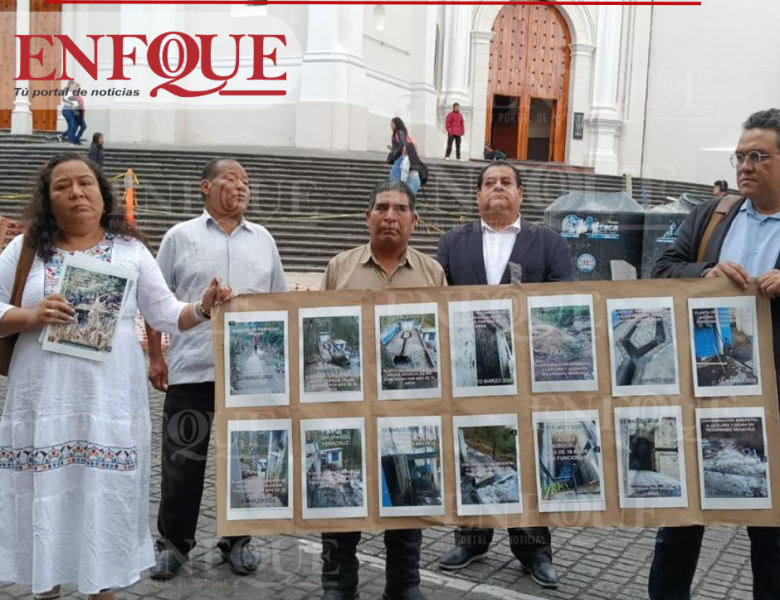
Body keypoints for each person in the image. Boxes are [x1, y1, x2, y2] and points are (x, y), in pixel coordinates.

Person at [0, 153, 232, 600]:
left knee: (104, 505)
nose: (75, 193)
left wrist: (203, 306)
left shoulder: (130, 251)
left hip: (110, 410)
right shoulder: (27, 249)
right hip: (43, 409)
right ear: (48, 199)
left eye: (84, 183)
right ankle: (45, 589)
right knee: (43, 502)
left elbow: (165, 314)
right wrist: (30, 314)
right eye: (62, 186)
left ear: (102, 192)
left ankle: (101, 591)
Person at [649, 108, 780, 600]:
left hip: (772, 404)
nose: (745, 165)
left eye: (758, 156)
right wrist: (704, 272)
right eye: (740, 155)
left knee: (771, 539)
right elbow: (662, 268)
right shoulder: (713, 214)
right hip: (701, 395)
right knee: (679, 528)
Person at [146, 157, 287, 580]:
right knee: (182, 463)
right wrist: (156, 356)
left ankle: (237, 540)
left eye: (246, 181)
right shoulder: (179, 237)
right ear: (206, 186)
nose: (241, 187)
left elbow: (281, 304)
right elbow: (155, 301)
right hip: (192, 372)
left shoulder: (264, 240)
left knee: (248, 464)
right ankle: (174, 544)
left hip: (253, 381)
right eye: (231, 179)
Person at [435, 161, 572, 590]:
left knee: (526, 458)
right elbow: (435, 302)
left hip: (528, 374)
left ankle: (534, 550)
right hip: (469, 372)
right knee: (473, 451)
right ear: (477, 195)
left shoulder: (549, 243)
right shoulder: (452, 242)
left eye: (506, 182)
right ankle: (472, 538)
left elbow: (562, 307)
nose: (497, 188)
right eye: (489, 183)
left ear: (520, 193)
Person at [320, 179, 447, 600]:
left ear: (414, 221)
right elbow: (318, 327)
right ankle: (339, 582)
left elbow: (441, 342)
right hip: (347, 405)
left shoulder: (433, 272)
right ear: (368, 217)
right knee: (341, 490)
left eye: (399, 209)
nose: (389, 216)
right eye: (381, 208)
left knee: (408, 490)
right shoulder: (340, 266)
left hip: (410, 407)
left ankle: (404, 583)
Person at [387, 117, 413, 182]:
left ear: (396, 124)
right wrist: (392, 148)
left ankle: (394, 190)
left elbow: (403, 144)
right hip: (399, 156)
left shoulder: (399, 132)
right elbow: (399, 145)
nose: (391, 125)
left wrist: (397, 151)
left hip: (400, 156)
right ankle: (396, 189)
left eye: (392, 124)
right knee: (396, 175)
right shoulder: (397, 132)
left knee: (394, 175)